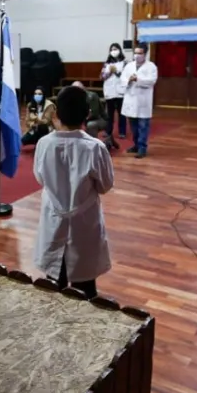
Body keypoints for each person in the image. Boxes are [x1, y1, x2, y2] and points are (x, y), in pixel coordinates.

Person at [33, 86, 114, 299]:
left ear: (57, 114)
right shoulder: (95, 147)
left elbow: (40, 178)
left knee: (54, 283)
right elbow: (105, 185)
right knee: (85, 284)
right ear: (87, 114)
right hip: (84, 221)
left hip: (54, 215)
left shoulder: (44, 144)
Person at [120, 44, 158, 159]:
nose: (137, 55)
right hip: (131, 99)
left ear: (145, 54)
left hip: (143, 101)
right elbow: (122, 78)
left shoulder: (151, 66)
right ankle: (136, 145)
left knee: (143, 126)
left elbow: (152, 81)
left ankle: (142, 148)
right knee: (133, 126)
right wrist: (128, 79)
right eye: (135, 53)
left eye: (140, 53)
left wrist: (138, 79)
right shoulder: (129, 66)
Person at [100, 42, 128, 149]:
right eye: (112, 49)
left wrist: (116, 72)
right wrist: (109, 73)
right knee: (109, 114)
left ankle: (122, 132)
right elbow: (102, 76)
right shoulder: (106, 64)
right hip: (110, 91)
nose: (114, 51)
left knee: (121, 113)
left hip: (120, 92)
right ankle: (108, 131)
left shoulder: (125, 63)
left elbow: (125, 76)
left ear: (120, 50)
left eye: (116, 49)